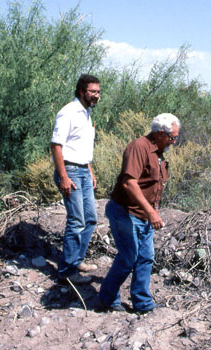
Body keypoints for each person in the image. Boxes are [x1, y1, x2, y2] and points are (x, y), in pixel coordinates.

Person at [98, 113, 180, 313]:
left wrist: (153, 210)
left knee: (145, 257)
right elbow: (129, 182)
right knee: (129, 257)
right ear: (160, 133)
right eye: (172, 138)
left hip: (143, 214)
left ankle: (142, 303)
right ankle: (107, 298)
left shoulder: (159, 151)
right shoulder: (139, 147)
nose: (174, 142)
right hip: (125, 212)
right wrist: (151, 213)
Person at [51, 74, 101, 285]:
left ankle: (76, 260)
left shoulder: (86, 112)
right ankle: (66, 271)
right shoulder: (68, 112)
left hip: (82, 169)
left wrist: (90, 169)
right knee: (77, 220)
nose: (97, 96)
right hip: (70, 171)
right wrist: (63, 176)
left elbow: (81, 145)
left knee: (90, 218)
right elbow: (56, 145)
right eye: (92, 92)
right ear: (81, 91)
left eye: (98, 92)